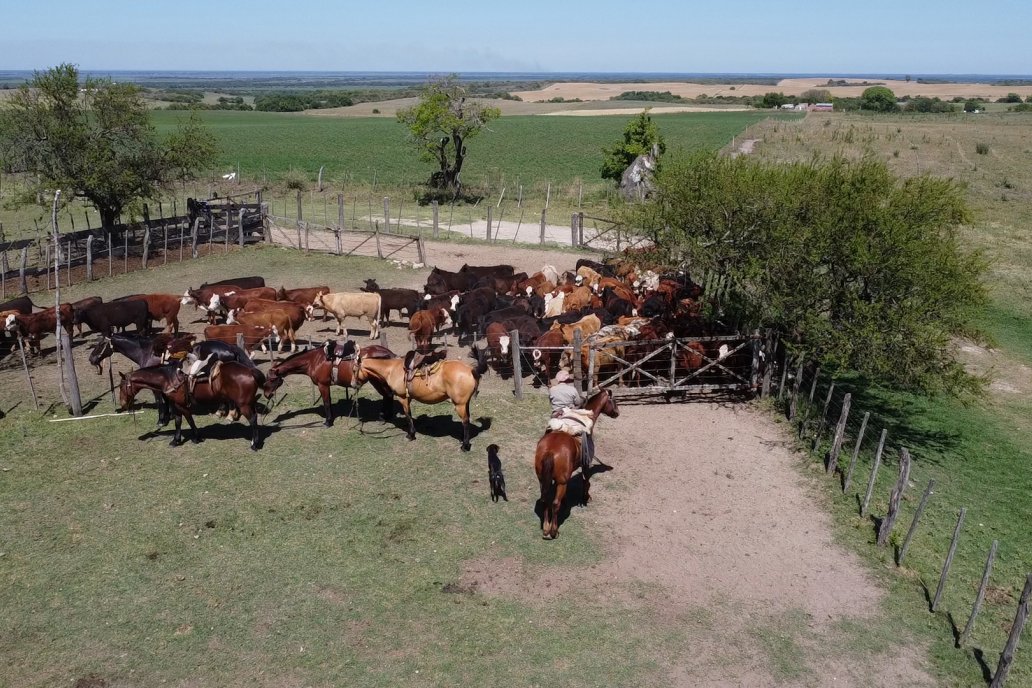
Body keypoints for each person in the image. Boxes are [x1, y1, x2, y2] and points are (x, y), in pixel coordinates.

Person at [548, 370, 595, 471]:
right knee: (584, 432)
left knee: (548, 429)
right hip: (569, 412)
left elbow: (550, 401)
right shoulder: (572, 389)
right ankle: (586, 458)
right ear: (568, 379)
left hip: (557, 415)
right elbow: (578, 402)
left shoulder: (552, 389)